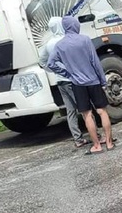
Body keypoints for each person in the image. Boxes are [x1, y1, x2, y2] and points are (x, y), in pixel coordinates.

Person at [47, 16, 115, 155]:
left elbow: (50, 64)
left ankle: (96, 145)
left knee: (87, 115)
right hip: (94, 81)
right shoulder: (85, 40)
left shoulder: (60, 45)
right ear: (74, 25)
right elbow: (95, 62)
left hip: (77, 84)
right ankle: (109, 142)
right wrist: (103, 80)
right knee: (102, 111)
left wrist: (67, 74)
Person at [38, 17, 87, 148]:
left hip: (60, 81)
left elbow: (43, 61)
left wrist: (54, 71)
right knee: (84, 108)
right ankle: (96, 134)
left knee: (70, 111)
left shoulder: (48, 44)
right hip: (72, 79)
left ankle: (78, 138)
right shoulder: (65, 41)